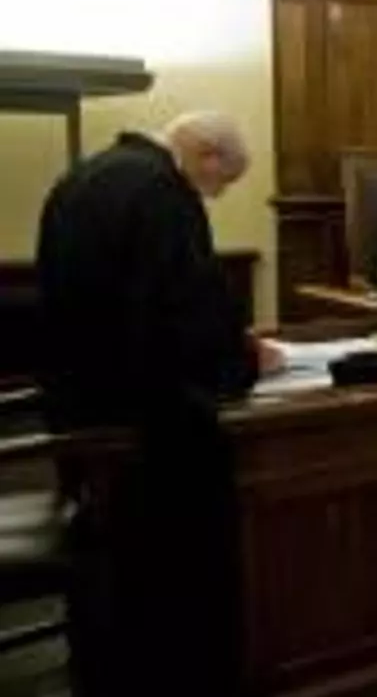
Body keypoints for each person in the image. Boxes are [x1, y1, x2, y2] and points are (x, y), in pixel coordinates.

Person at [35, 111, 279, 696]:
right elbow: (185, 326)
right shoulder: (164, 195)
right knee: (223, 497)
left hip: (78, 411)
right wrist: (248, 360)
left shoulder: (80, 177)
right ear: (206, 155)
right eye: (222, 183)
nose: (215, 196)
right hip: (144, 429)